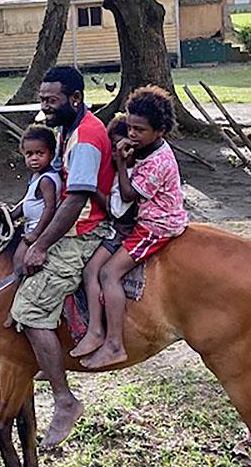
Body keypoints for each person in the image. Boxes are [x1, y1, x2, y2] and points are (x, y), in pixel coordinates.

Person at [10, 66, 115, 448]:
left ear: (74, 98)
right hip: (70, 225)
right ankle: (44, 356)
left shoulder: (85, 136)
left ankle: (64, 399)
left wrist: (40, 244)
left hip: (85, 232)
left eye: (50, 101)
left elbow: (76, 199)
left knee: (31, 309)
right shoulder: (67, 129)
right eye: (41, 100)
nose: (44, 107)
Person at [80, 85, 189, 370]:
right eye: (129, 127)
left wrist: (119, 161)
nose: (132, 134)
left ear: (160, 131)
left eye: (139, 130)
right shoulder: (145, 149)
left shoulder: (159, 162)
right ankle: (93, 331)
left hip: (156, 225)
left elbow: (128, 195)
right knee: (93, 266)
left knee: (108, 272)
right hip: (139, 219)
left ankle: (115, 344)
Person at [70, 115, 138, 358]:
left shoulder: (129, 172)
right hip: (114, 225)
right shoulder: (120, 167)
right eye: (116, 149)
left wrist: (88, 187)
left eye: (125, 148)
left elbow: (117, 209)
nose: (120, 153)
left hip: (122, 230)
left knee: (94, 271)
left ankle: (99, 332)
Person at [8, 125, 63, 278]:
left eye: (40, 153)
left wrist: (35, 234)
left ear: (51, 154)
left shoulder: (46, 180)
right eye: (29, 154)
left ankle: (24, 291)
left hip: (40, 232)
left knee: (19, 260)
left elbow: (50, 208)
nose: (34, 158)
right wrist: (10, 215)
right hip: (32, 228)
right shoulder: (37, 176)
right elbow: (27, 200)